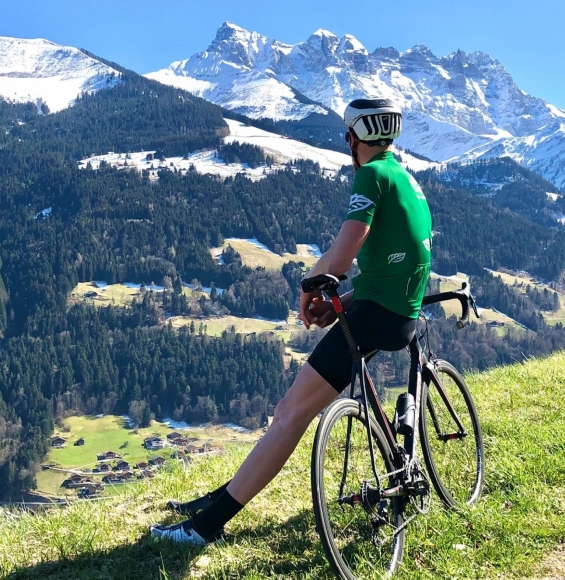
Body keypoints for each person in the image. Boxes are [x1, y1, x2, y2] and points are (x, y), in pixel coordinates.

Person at [150, 98, 433, 545]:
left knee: (290, 414)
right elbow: (397, 267)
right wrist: (345, 299)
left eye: (348, 137)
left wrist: (309, 287)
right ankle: (216, 498)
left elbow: (342, 254)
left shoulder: (371, 174)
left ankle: (208, 526)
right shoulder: (406, 180)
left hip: (375, 318)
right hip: (396, 314)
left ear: (354, 138)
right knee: (292, 411)